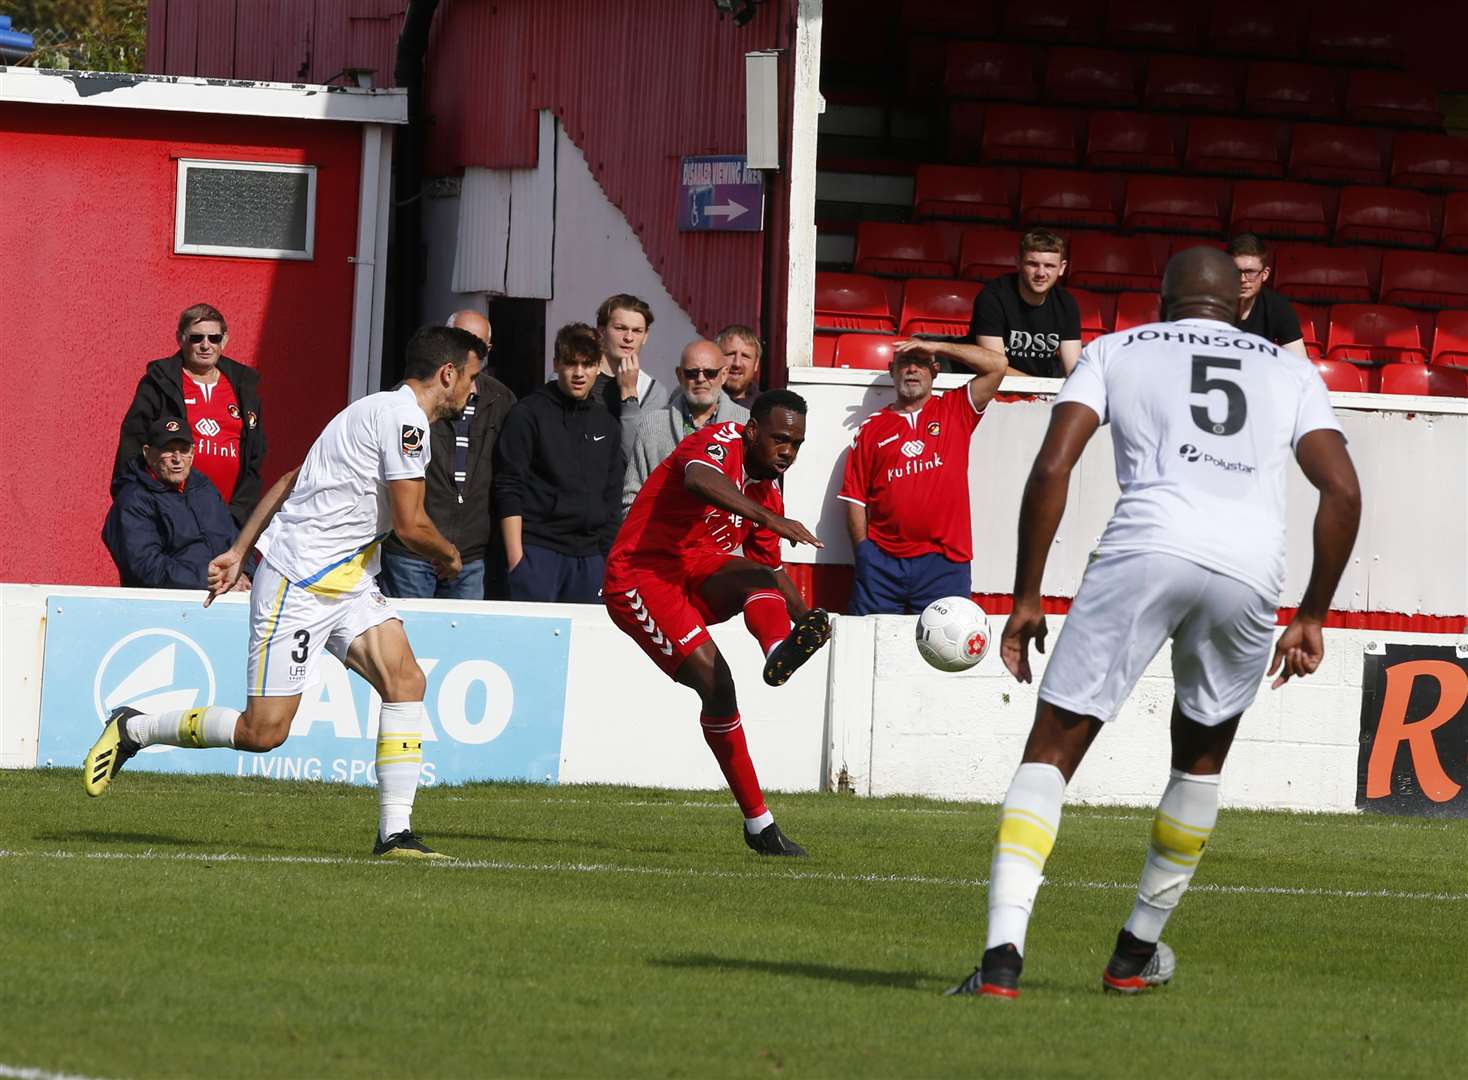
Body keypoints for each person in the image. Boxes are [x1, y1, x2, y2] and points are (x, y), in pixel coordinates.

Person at [945, 247, 1361, 1000]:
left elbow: (1052, 468)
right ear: (1239, 305)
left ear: (1163, 303)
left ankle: (1002, 961)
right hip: (1249, 568)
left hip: (1146, 545)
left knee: (1051, 753)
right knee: (1199, 762)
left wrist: (1028, 597)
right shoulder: (1289, 370)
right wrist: (1312, 614)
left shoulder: (1115, 349)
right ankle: (1134, 955)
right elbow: (1343, 492)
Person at [83, 325, 488, 861]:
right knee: (262, 733)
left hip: (346, 583)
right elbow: (412, 526)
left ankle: (395, 835)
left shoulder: (367, 411)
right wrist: (449, 555)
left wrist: (237, 548)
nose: (474, 392)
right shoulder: (407, 421)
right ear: (447, 374)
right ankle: (135, 727)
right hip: (297, 583)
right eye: (472, 378)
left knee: (407, 680)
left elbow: (293, 478)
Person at [605, 389, 831, 856]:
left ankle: (777, 651)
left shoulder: (767, 487)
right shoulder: (719, 440)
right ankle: (760, 826)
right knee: (719, 685)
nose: (787, 451)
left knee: (759, 575)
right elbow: (698, 479)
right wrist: (770, 516)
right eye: (779, 439)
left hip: (693, 572)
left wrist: (807, 618)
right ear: (751, 430)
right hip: (640, 577)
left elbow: (770, 570)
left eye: (796, 444)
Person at [837, 337, 1008, 615]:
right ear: (893, 370)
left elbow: (997, 365)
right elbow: (854, 499)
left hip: (944, 564)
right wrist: (865, 554)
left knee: (941, 656)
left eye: (921, 362)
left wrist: (936, 346)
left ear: (935, 370)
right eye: (905, 362)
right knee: (871, 651)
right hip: (883, 565)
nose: (912, 369)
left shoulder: (955, 409)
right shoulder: (871, 429)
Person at [380, 310, 516, 600]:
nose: (470, 350)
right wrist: (437, 546)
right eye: (462, 339)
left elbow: (509, 476)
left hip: (469, 554)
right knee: (407, 639)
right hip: (412, 552)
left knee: (461, 644)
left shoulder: (501, 399)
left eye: (479, 344)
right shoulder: (408, 404)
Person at [495, 323, 624, 603]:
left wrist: (606, 560)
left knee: (587, 645)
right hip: (538, 553)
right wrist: (517, 560)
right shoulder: (527, 413)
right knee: (533, 645)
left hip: (591, 560)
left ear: (598, 367)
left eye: (587, 364)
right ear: (556, 364)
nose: (579, 373)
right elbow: (508, 486)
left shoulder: (608, 424)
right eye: (570, 363)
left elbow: (613, 498)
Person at [113, 303, 266, 528]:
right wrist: (137, 509)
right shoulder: (159, 383)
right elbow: (132, 446)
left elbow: (255, 458)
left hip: (227, 520)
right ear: (180, 339)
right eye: (196, 338)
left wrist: (238, 515)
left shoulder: (243, 386)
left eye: (213, 338)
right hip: (172, 518)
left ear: (224, 340)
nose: (206, 345)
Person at [103, 417, 246, 592]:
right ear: (148, 453)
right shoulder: (132, 499)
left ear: (193, 453)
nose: (177, 459)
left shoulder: (203, 487)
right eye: (168, 450)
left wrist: (244, 571)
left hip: (226, 593)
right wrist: (204, 578)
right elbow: (145, 566)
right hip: (168, 606)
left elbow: (236, 539)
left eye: (184, 450)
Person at [622, 339, 750, 512]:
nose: (701, 379)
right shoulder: (653, 425)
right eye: (692, 373)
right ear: (679, 374)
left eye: (710, 373)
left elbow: (760, 496)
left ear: (724, 374)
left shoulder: (745, 425)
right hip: (663, 535)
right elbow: (633, 498)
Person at [964, 229, 1081, 378]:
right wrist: (1039, 389)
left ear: (1062, 268)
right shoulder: (993, 297)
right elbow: (993, 367)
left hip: (1041, 390)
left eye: (1049, 266)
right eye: (1033, 264)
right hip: (994, 390)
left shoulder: (1066, 303)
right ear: (1018, 263)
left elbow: (1073, 370)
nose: (1041, 273)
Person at [594, 294, 671, 459]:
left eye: (637, 331)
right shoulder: (577, 375)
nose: (629, 338)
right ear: (601, 331)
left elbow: (640, 456)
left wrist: (629, 394)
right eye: (620, 328)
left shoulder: (652, 390)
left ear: (645, 336)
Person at [1229, 233, 1308, 356]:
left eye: (1250, 272)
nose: (1242, 279)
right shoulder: (1208, 304)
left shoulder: (1278, 307)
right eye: (1235, 271)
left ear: (1265, 274)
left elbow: (1299, 364)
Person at [716, 324, 763, 409]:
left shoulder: (767, 410)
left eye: (745, 356)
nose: (737, 364)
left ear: (756, 364)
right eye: (730, 354)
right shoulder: (700, 405)